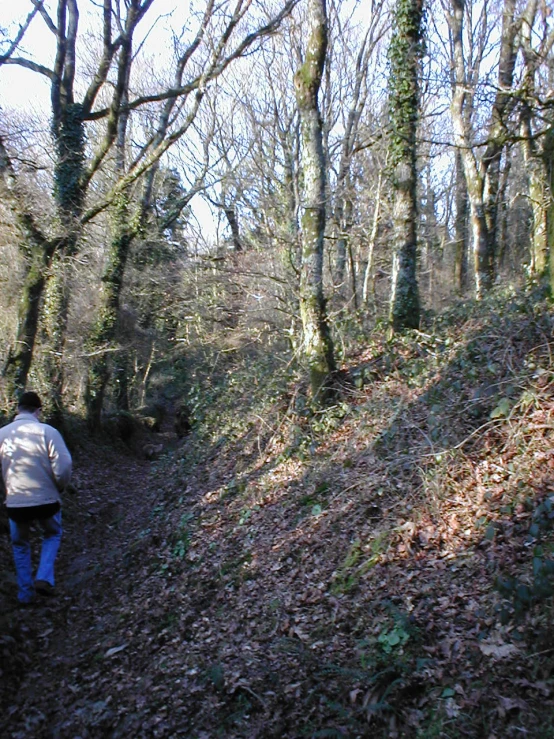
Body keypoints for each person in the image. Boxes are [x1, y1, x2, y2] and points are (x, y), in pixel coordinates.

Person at [0, 391, 72, 605]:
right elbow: (64, 465)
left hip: (15, 501)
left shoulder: (2, 434)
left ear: (17, 409)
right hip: (46, 500)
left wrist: (6, 490)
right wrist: (59, 486)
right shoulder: (47, 432)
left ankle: (25, 594)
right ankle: (43, 577)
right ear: (39, 411)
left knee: (20, 544)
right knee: (52, 533)